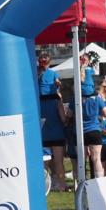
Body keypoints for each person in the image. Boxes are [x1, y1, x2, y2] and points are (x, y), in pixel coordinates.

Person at [38, 52, 69, 192]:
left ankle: (44, 187)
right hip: (56, 132)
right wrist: (66, 122)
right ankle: (61, 184)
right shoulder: (57, 101)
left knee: (44, 162)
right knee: (58, 161)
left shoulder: (36, 102)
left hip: (42, 132)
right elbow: (63, 118)